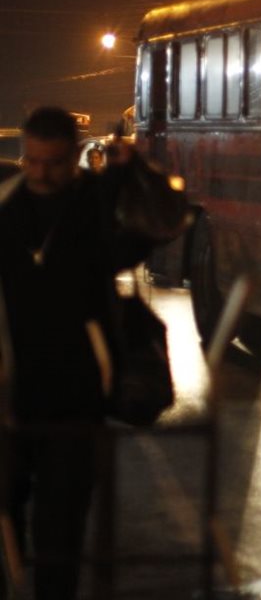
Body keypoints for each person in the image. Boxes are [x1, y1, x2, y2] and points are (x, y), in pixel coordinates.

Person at [0, 107, 159, 599]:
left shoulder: (96, 204)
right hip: (8, 391)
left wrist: (130, 172)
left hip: (77, 392)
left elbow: (152, 231)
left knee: (61, 528)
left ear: (73, 157)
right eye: (33, 161)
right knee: (3, 515)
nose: (40, 173)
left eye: (52, 163)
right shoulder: (7, 205)